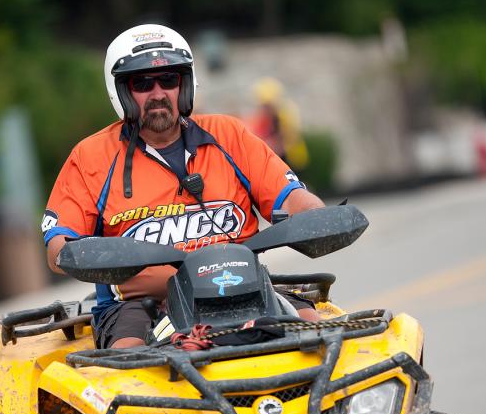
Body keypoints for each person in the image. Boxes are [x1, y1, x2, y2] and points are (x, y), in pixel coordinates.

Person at [42, 24, 324, 348]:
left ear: (185, 85)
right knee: (129, 359)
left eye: (169, 80)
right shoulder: (90, 157)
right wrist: (82, 253)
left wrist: (316, 217)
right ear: (121, 91)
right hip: (139, 305)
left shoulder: (230, 135)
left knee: (315, 330)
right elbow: (58, 248)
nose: (159, 93)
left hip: (241, 287)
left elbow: (293, 199)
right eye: (143, 83)